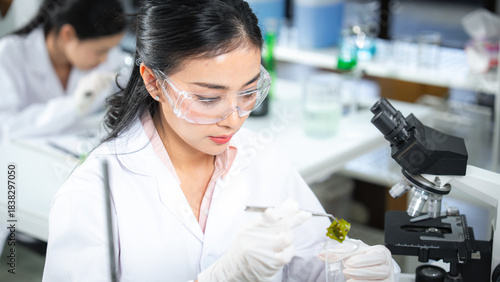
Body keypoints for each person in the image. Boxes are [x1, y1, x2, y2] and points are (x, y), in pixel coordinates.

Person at [43, 0, 399, 281]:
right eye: (209, 98)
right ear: (154, 82)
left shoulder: (263, 157)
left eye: (248, 93)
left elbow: (321, 241)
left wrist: (355, 258)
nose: (233, 118)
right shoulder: (93, 193)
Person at [0, 0, 128, 140]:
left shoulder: (103, 52)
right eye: (100, 52)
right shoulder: (9, 55)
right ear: (67, 34)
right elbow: (6, 127)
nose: (105, 59)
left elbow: (125, 82)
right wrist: (73, 105)